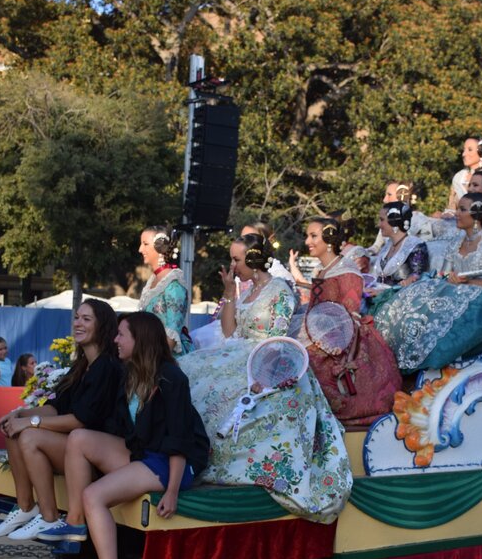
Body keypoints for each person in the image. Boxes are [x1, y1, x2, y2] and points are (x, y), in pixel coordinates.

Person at [47, 312, 210, 559]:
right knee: (79, 439)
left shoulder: (172, 379)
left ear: (141, 339)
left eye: (121, 335)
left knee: (94, 495)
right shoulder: (130, 374)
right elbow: (116, 427)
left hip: (170, 463)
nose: (115, 340)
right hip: (143, 453)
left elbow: (179, 440)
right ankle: (76, 523)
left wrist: (172, 491)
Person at [178, 235, 350, 519]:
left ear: (254, 259)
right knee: (189, 369)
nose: (232, 265)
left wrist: (263, 374)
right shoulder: (248, 290)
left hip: (269, 359)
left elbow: (277, 341)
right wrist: (229, 292)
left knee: (220, 388)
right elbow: (230, 331)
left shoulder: (279, 290)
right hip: (240, 352)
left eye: (237, 259)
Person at [0, 299, 123, 541]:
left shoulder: (107, 366)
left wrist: (30, 423)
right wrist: (19, 415)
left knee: (29, 437)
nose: (78, 323)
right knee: (13, 429)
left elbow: (80, 421)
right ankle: (26, 507)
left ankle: (49, 517)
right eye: (77, 317)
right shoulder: (82, 365)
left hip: (94, 456)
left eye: (86, 319)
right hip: (74, 447)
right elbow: (56, 408)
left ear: (102, 325)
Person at [373, 189, 482, 373]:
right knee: (412, 304)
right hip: (452, 289)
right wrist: (450, 277)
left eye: (462, 209)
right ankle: (391, 357)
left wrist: (467, 283)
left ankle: (429, 365)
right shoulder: (457, 240)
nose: (456, 213)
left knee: (438, 317)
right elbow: (444, 274)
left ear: (477, 214)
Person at [296, 217, 401, 425]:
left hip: (343, 338)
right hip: (318, 331)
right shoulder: (323, 270)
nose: (308, 241)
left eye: (313, 236)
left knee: (306, 361)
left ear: (329, 240)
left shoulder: (346, 270)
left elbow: (348, 316)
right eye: (308, 236)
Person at [137, 226, 194, 355]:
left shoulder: (174, 283)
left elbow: (172, 332)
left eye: (145, 244)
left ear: (160, 245)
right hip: (149, 353)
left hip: (167, 356)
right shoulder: (153, 280)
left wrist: (156, 361)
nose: (140, 249)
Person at [370, 201, 430, 289]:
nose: (378, 225)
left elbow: (416, 281)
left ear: (394, 222)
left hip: (397, 296)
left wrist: (383, 292)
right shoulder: (387, 246)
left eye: (382, 220)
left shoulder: (415, 247)